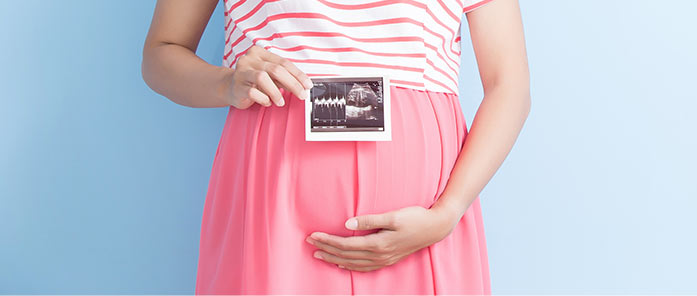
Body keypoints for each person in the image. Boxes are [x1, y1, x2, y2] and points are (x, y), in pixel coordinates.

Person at [140, 0, 530, 294]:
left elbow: (508, 85)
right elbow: (162, 52)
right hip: (274, 203)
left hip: (423, 218)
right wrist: (225, 84)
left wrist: (448, 212)